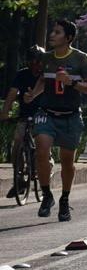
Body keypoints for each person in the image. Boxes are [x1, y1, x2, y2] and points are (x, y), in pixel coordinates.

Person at [23, 21, 87, 221]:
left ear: (69, 37)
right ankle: (47, 195)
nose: (52, 35)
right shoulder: (46, 58)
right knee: (41, 150)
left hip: (70, 116)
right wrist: (33, 94)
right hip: (46, 113)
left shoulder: (81, 58)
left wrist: (71, 82)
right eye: (52, 31)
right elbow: (42, 81)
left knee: (66, 161)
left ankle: (64, 199)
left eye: (57, 32)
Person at [2, 45, 45, 198]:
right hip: (25, 115)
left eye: (38, 61)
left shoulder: (46, 76)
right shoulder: (21, 75)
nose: (35, 65)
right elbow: (12, 94)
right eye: (32, 61)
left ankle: (42, 170)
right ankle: (19, 179)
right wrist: (5, 112)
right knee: (17, 143)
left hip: (42, 115)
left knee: (42, 146)